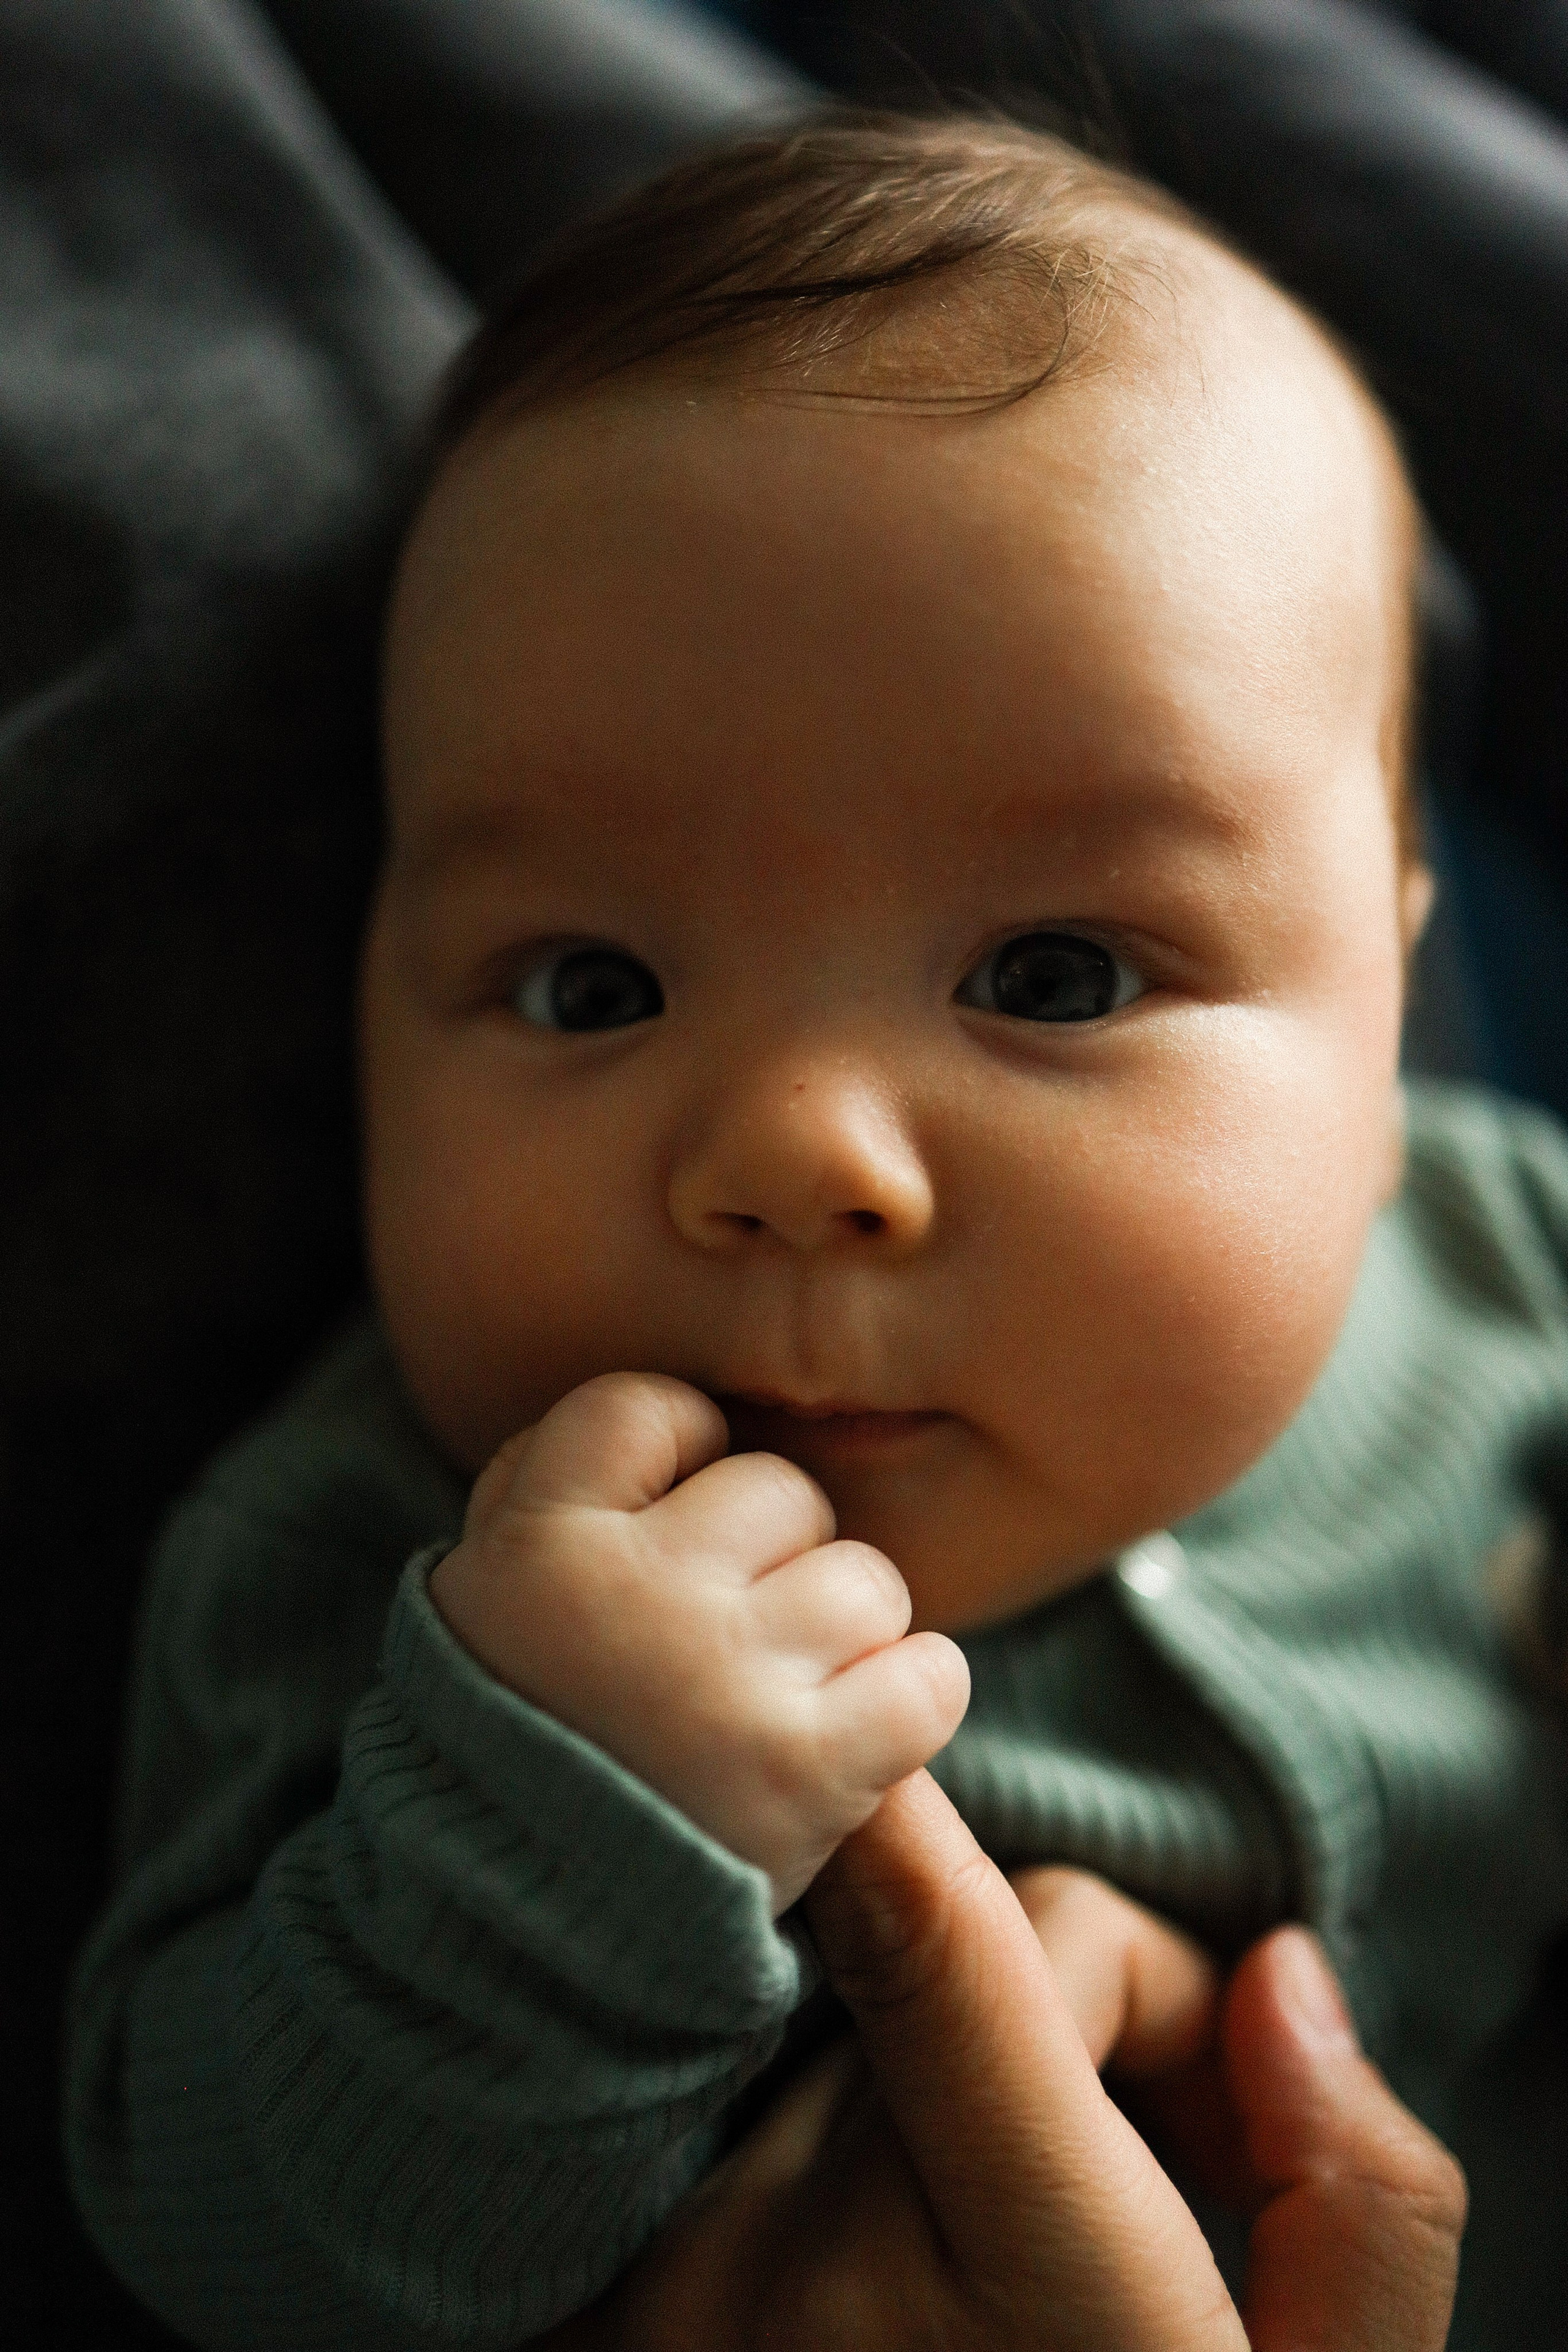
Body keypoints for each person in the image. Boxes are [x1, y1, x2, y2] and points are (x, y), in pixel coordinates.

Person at [64, 113, 1568, 2348]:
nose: (791, 1154)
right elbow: (218, 2247)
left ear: (1388, 1018)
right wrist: (545, 1861)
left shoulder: (1512, 1269)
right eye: (593, 987)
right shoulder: (396, 1582)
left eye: (1053, 977)